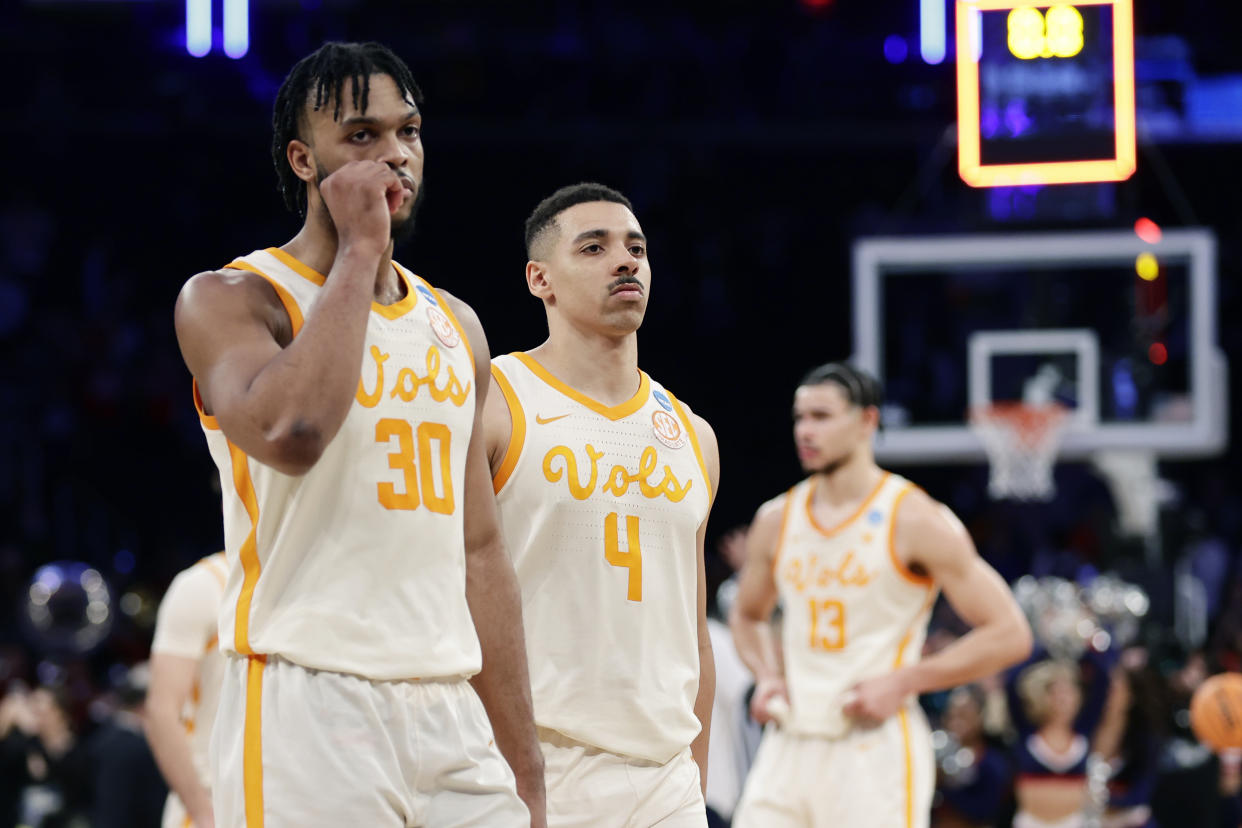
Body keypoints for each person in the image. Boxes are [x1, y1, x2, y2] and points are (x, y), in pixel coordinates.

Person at [173, 41, 543, 826]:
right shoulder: (233, 299)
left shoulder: (457, 325)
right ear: (305, 161)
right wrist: (361, 251)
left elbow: (481, 550)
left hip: (449, 707)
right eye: (363, 137)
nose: (396, 156)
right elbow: (292, 429)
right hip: (308, 699)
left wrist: (524, 758)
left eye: (408, 131)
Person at [484, 182, 719, 827]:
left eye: (636, 248)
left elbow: (694, 634)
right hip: (528, 766)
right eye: (594, 247)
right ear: (540, 280)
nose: (626, 261)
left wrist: (695, 776)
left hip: (666, 782)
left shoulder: (693, 435)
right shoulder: (494, 401)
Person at [728, 361, 1032, 828]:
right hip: (789, 741)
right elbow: (748, 615)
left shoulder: (913, 518)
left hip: (872, 748)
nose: (805, 431)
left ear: (867, 420)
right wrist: (766, 674)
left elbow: (1010, 633)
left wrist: (905, 681)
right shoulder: (776, 519)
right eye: (799, 417)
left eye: (822, 416)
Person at [146, 551, 228, 828]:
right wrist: (203, 813)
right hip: (214, 802)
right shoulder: (203, 585)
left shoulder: (304, 583)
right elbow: (161, 712)